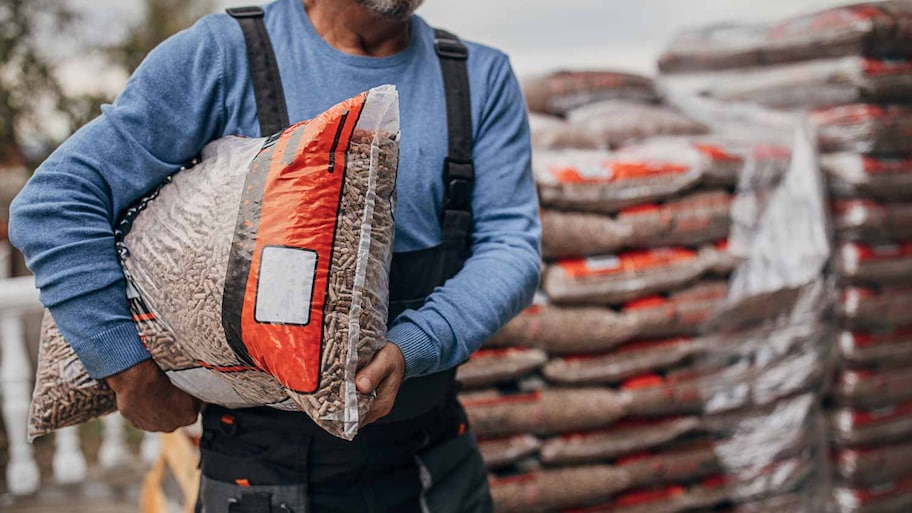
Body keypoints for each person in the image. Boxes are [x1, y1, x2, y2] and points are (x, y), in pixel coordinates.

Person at [9, 0, 541, 511]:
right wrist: (128, 370)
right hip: (263, 472)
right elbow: (55, 204)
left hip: (435, 458)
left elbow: (511, 246)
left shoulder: (476, 76)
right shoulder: (225, 54)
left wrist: (417, 344)